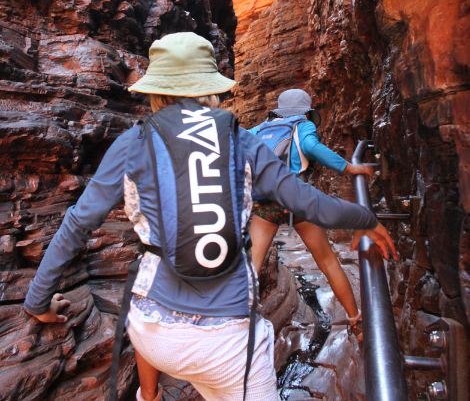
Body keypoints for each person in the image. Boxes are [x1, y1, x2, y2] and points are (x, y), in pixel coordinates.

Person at [24, 32, 397, 401]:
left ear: (157, 91)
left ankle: (148, 395)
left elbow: (78, 223)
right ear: (209, 90)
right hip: (227, 348)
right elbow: (312, 203)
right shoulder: (241, 141)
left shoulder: (132, 142)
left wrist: (37, 301)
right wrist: (365, 218)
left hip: (151, 335)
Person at [249, 88, 375, 339]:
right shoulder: (302, 125)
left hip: (265, 203)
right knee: (327, 261)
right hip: (297, 199)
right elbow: (311, 146)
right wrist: (348, 168)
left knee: (250, 268)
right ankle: (355, 321)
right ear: (306, 110)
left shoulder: (259, 130)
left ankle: (231, 328)